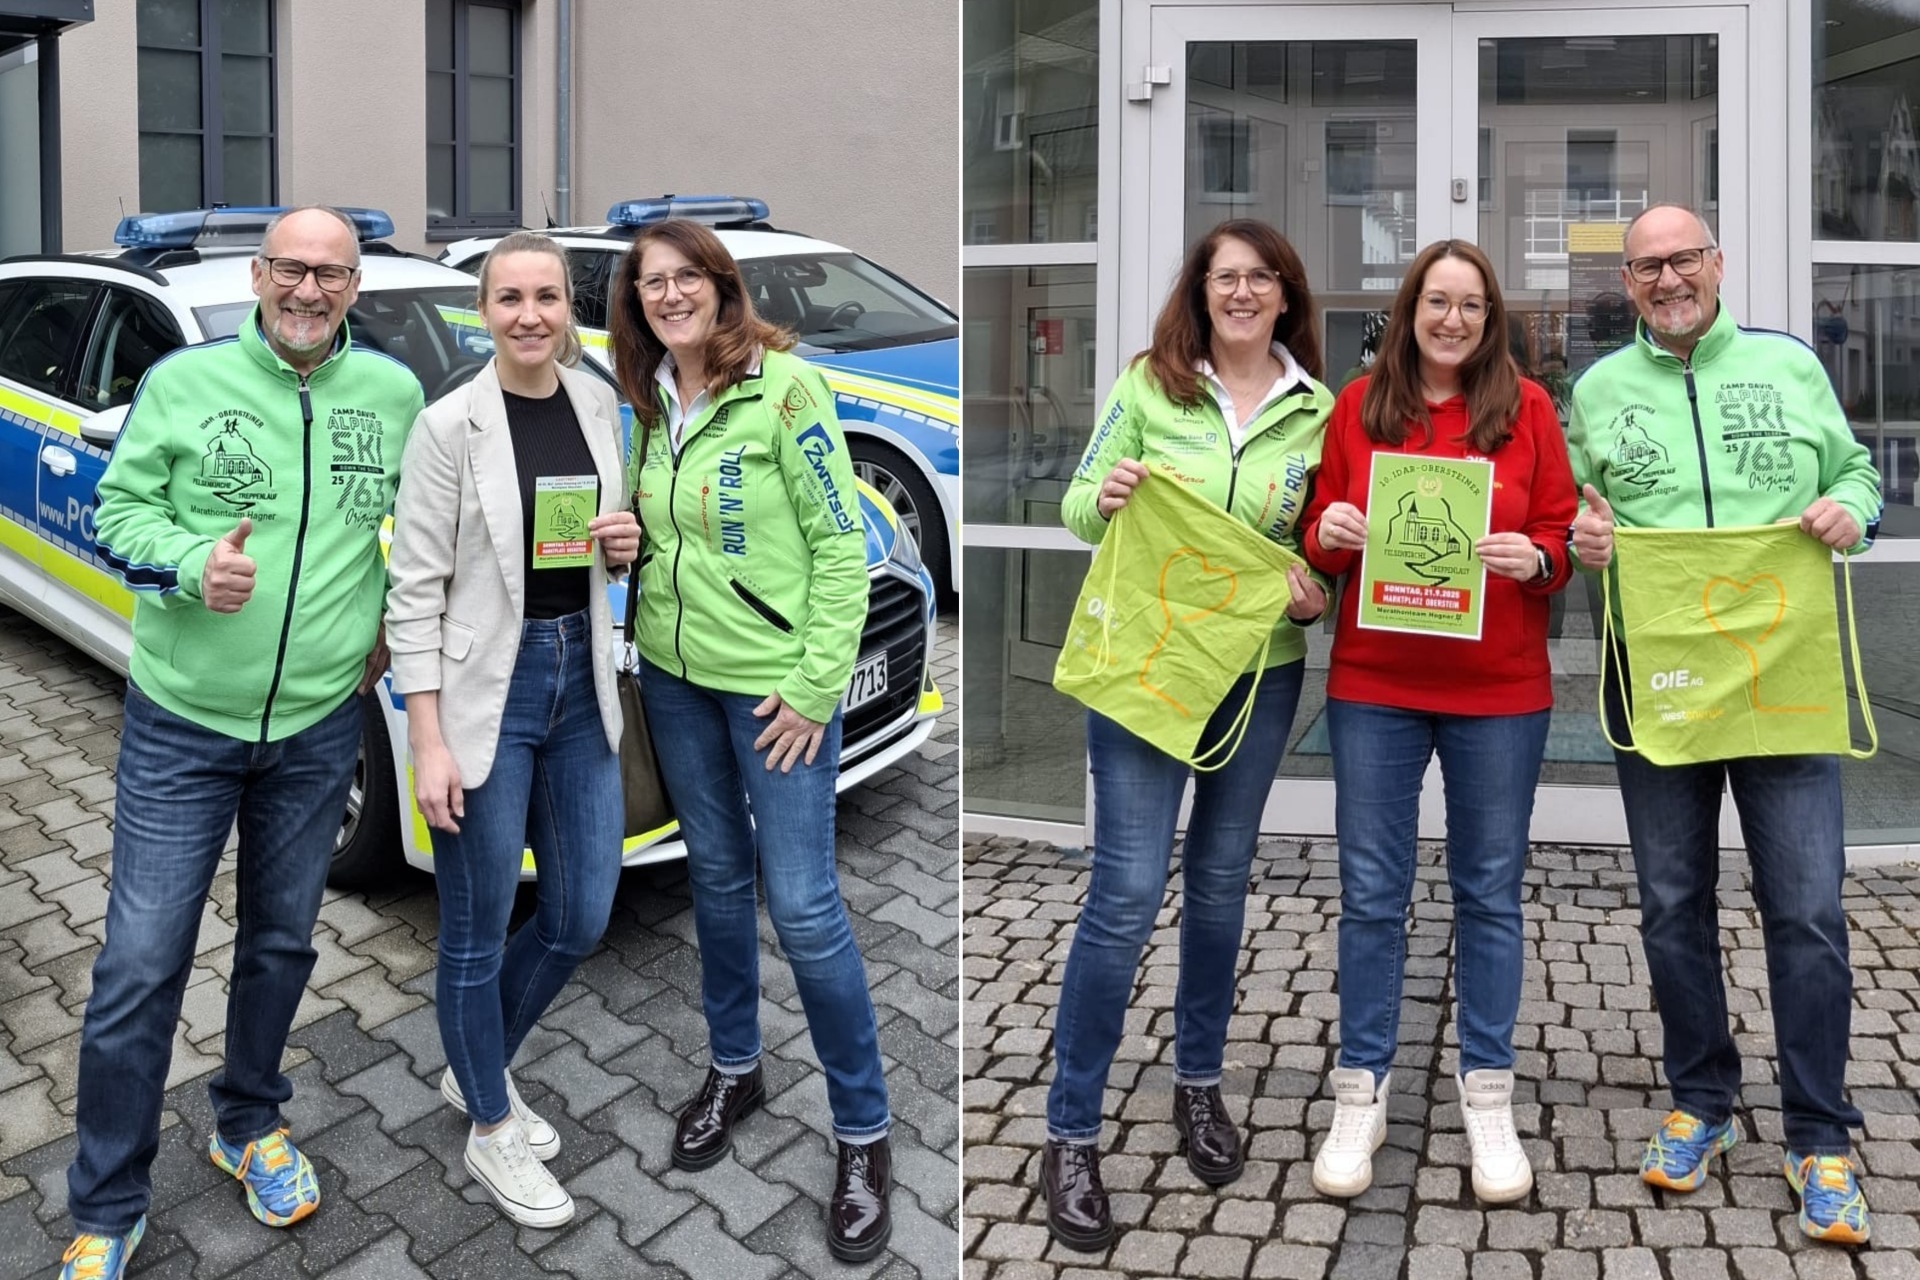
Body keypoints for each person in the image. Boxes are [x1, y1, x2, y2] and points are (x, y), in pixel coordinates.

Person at [60, 207, 423, 1279]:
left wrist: (390, 633)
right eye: (292, 269)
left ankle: (247, 1119)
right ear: (260, 274)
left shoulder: (394, 395)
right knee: (139, 961)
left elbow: (422, 532)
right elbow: (114, 511)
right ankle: (108, 1199)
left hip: (316, 733)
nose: (310, 291)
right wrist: (184, 562)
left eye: (333, 275)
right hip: (182, 724)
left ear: (357, 288)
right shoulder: (184, 382)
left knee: (281, 942)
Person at [1567, 204, 1882, 1245]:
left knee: (1806, 912)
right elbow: (1578, 516)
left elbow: (1857, 474)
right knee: (1670, 905)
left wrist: (1850, 511)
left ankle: (1818, 1132)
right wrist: (1588, 541)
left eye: (1683, 258)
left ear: (1717, 263)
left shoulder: (1791, 367)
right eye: (1647, 266)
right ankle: (1702, 1103)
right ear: (1629, 281)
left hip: (1782, 681)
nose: (1667, 278)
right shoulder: (1600, 389)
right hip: (1658, 685)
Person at [1042, 219, 1335, 1251]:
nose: (1244, 293)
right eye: (1226, 278)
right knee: (1123, 895)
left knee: (1218, 885)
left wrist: (1313, 594)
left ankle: (1198, 1084)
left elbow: (1323, 553)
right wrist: (1109, 493)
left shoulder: (1320, 413)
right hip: (1142, 672)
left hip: (1256, 677)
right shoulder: (1145, 386)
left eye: (1262, 279)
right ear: (1200, 293)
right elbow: (1079, 504)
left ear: (1286, 295)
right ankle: (1070, 1129)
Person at [606, 219, 893, 1262]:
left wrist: (817, 687)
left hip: (772, 695)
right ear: (633, 301)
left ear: (723, 289)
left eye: (689, 278)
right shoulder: (644, 402)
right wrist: (627, 545)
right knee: (718, 884)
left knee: (807, 905)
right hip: (677, 682)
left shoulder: (782, 387)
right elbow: (649, 532)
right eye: (652, 283)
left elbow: (839, 545)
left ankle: (865, 1132)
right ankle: (738, 1066)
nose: (671, 295)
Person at [1301, 239, 1576, 1204]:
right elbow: (1320, 531)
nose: (1452, 319)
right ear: (1409, 309)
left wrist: (1535, 560)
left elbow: (1559, 539)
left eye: (1471, 305)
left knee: (1490, 894)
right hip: (1375, 682)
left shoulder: (1529, 411)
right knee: (1373, 892)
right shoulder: (1359, 407)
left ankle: (1487, 1091)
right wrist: (1328, 535)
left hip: (1498, 689)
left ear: (1491, 318)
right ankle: (1362, 1084)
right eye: (1435, 301)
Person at [384, 232, 639, 1228]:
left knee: (579, 912)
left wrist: (622, 548)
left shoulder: (594, 401)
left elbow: (596, 549)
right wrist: (428, 738)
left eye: (546, 296)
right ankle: (490, 1120)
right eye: (508, 299)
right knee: (478, 924)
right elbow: (414, 593)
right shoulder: (449, 426)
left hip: (581, 676)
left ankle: (473, 1061)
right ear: (482, 310)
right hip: (484, 687)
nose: (530, 315)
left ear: (566, 304)